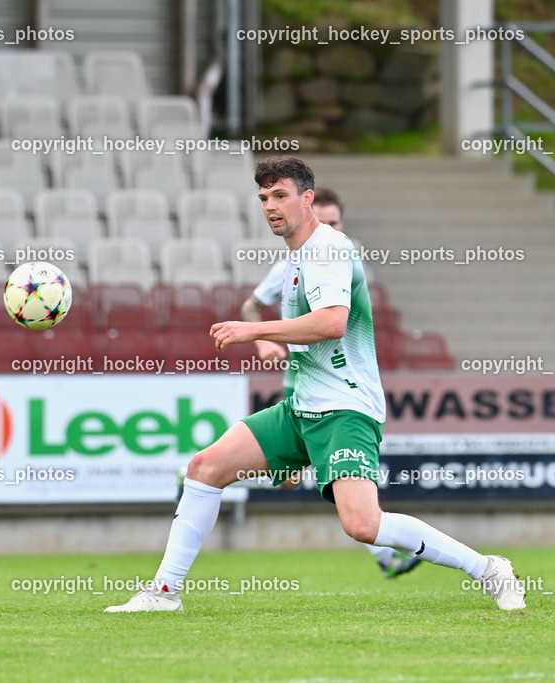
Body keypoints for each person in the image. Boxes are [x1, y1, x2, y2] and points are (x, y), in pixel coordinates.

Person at [106, 156, 525, 613]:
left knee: (363, 524)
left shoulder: (326, 249)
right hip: (302, 406)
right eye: (264, 197)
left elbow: (330, 323)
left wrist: (254, 331)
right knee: (206, 468)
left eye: (280, 195)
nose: (270, 205)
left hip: (344, 407)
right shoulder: (296, 257)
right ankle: (165, 592)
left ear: (307, 199)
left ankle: (488, 569)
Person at [239, 188, 420, 579]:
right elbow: (251, 305)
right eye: (327, 221)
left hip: (341, 388)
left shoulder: (338, 253)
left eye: (337, 222)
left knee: (344, 494)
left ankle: (386, 553)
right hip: (300, 384)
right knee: (290, 480)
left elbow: (338, 323)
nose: (332, 228)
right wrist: (262, 338)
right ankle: (212, 477)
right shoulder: (292, 260)